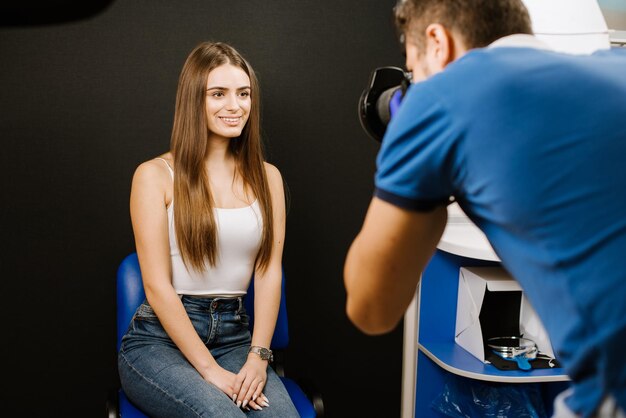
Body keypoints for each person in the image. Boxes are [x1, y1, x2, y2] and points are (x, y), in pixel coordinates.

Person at [344, 1, 626, 417]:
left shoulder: (441, 99)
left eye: (414, 67)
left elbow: (371, 309)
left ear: (437, 43)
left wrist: (417, 146)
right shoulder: (615, 65)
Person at [118, 41, 298, 417]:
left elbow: (268, 271)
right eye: (218, 94)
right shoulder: (154, 176)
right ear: (193, 100)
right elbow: (156, 286)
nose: (235, 106)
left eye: (243, 94)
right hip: (158, 342)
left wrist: (258, 357)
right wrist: (209, 370)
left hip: (235, 336)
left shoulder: (269, 178)